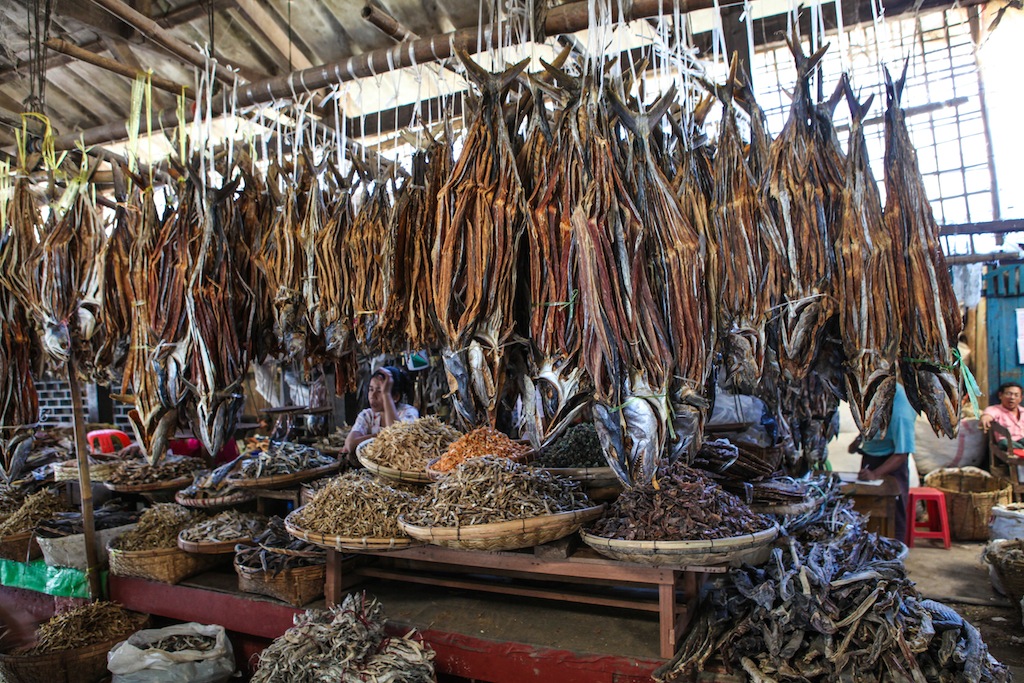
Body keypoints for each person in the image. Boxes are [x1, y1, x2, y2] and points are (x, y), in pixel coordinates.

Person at [849, 382, 917, 541]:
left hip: (892, 465)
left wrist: (875, 474)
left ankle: (895, 555)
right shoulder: (875, 397)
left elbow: (902, 454)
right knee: (866, 513)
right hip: (870, 459)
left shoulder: (901, 412)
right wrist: (860, 439)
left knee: (894, 514)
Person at [343, 366, 419, 454]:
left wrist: (386, 394)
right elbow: (350, 445)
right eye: (371, 389)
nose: (372, 396)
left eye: (380, 391)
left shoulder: (409, 412)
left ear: (395, 397)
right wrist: (382, 436)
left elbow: (397, 439)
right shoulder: (367, 415)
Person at [979, 381, 1024, 448]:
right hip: (1006, 443)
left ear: (1021, 398)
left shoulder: (1023, 411)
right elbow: (987, 415)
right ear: (1000, 395)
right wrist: (985, 419)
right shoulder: (995, 409)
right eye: (1009, 394)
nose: (1012, 397)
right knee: (1004, 443)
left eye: (1016, 395)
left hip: (1022, 440)